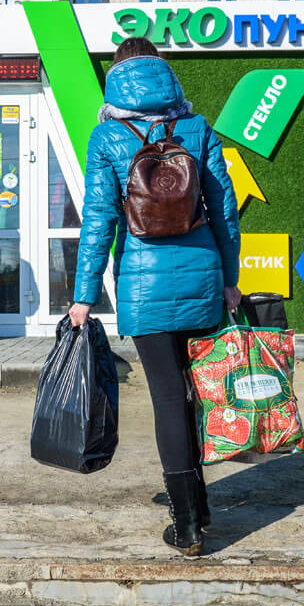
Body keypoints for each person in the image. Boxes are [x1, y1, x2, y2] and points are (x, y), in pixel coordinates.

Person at [69, 37, 241, 556]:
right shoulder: (197, 128)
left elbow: (98, 221)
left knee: (168, 397)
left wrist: (83, 297)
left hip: (143, 285)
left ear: (117, 77)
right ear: (164, 76)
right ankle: (200, 504)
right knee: (195, 393)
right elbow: (224, 210)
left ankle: (187, 524)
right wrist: (230, 280)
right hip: (203, 278)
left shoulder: (107, 136)